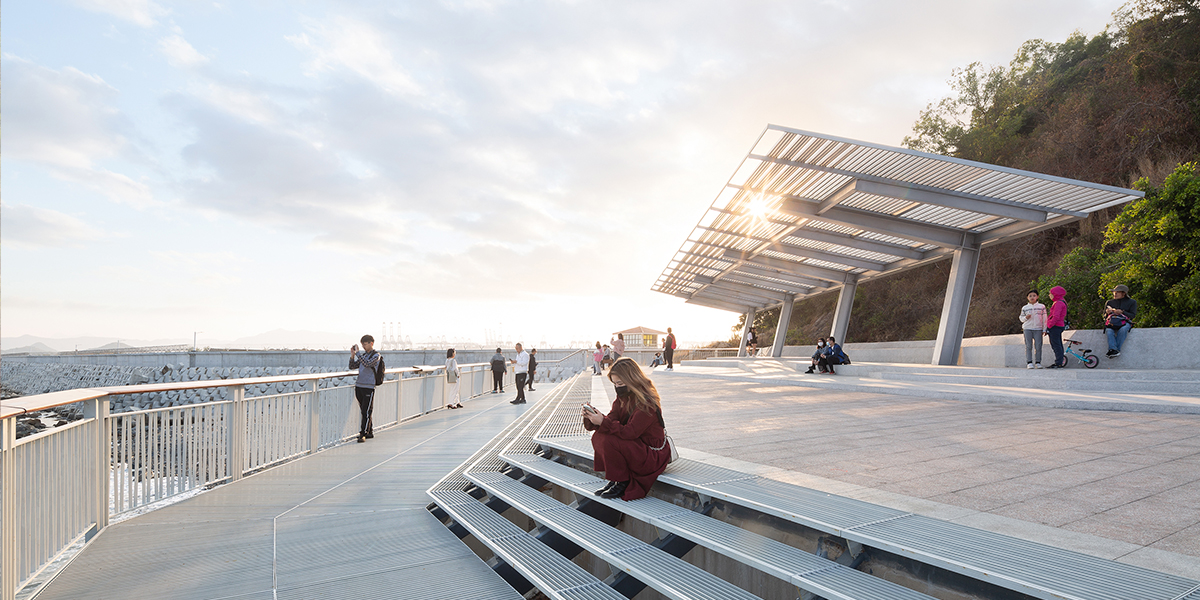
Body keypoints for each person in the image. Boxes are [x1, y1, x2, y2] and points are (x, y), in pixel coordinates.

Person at [581, 357, 671, 501]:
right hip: (637, 447)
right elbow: (612, 419)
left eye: (620, 383)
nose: (617, 387)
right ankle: (618, 479)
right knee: (599, 436)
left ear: (632, 380)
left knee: (610, 440)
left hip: (652, 454)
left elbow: (630, 432)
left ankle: (623, 481)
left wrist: (603, 422)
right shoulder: (624, 398)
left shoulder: (647, 402)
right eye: (615, 383)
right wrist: (594, 417)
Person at [348, 335, 381, 443]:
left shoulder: (376, 355)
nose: (363, 346)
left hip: (369, 386)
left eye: (365, 344)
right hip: (359, 386)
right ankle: (369, 431)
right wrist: (353, 355)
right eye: (362, 344)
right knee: (364, 410)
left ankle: (363, 433)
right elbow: (352, 366)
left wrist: (358, 354)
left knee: (366, 411)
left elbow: (367, 364)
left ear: (371, 343)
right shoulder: (363, 355)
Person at [1104, 284, 1137, 358]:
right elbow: (1104, 316)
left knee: (1123, 329)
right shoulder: (1109, 302)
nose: (1115, 294)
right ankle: (1114, 349)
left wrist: (1122, 312)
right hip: (1112, 322)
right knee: (1109, 331)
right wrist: (1107, 313)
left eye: (1117, 292)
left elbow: (1132, 315)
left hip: (1124, 322)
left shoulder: (1132, 302)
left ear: (1123, 293)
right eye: (1114, 292)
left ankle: (1114, 350)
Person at [1019, 290, 1046, 369]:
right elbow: (1021, 318)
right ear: (1027, 298)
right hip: (1027, 328)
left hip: (1038, 328)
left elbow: (1045, 319)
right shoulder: (1025, 308)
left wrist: (1044, 329)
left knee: (1038, 346)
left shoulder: (1041, 306)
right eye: (1030, 296)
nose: (1032, 297)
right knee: (1028, 345)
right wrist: (1025, 318)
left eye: (1034, 295)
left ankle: (1038, 362)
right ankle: (1029, 362)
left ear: (1037, 297)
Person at [1045, 286, 1068, 368]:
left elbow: (1055, 316)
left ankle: (1058, 362)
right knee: (1058, 344)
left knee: (1056, 345)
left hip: (1055, 326)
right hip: (1059, 325)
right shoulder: (1061, 302)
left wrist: (1049, 325)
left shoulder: (1058, 303)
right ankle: (1059, 361)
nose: (1049, 295)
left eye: (1050, 293)